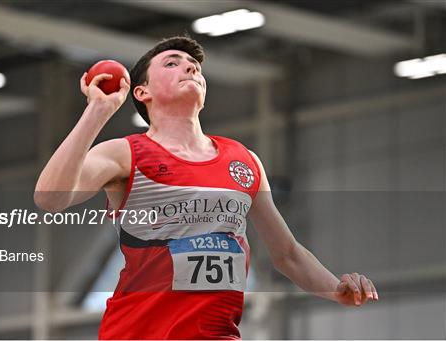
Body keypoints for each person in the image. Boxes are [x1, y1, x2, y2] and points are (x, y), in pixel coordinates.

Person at [34, 36, 379, 340]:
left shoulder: (243, 160)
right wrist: (98, 111)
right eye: (173, 63)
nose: (190, 69)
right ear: (143, 92)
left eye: (195, 67)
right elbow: (50, 199)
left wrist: (335, 289)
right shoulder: (125, 153)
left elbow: (287, 253)